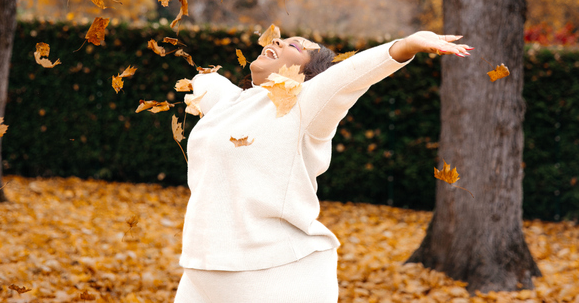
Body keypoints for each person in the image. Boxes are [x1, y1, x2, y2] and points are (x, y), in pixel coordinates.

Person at [174, 31, 473, 303]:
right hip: (201, 270)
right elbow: (210, 83)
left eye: (293, 46)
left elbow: (350, 77)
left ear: (306, 75)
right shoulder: (229, 103)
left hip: (276, 275)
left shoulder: (303, 104)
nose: (276, 41)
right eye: (279, 39)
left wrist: (406, 45)